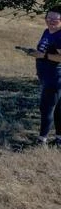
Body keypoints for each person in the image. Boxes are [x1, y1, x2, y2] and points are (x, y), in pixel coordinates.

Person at [33, 8, 61, 145]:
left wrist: (43, 56)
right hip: (47, 76)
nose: (51, 21)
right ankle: (59, 139)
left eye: (55, 19)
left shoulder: (60, 36)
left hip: (55, 77)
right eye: (48, 18)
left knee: (47, 108)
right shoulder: (47, 32)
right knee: (57, 108)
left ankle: (42, 139)